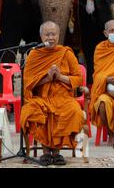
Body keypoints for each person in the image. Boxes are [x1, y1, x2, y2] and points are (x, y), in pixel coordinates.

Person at [20, 21, 84, 166]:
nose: (50, 37)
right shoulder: (34, 54)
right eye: (47, 34)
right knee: (32, 111)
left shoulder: (66, 53)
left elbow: (78, 78)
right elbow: (28, 82)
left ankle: (57, 152)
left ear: (58, 35)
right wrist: (47, 78)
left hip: (63, 97)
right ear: (41, 36)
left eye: (53, 34)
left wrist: (60, 77)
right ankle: (46, 153)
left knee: (74, 111)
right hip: (40, 97)